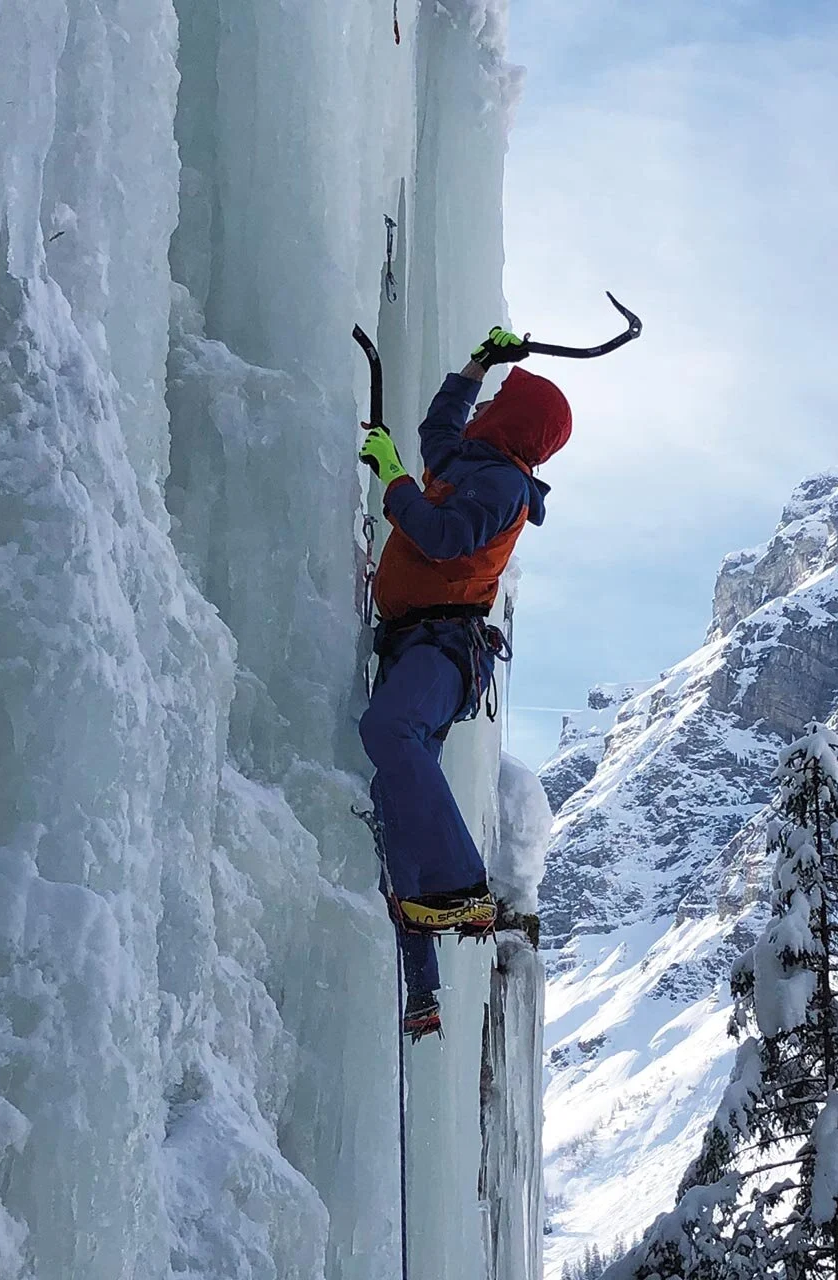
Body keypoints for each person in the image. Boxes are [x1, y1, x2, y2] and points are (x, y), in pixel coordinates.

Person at [357, 327, 572, 1039]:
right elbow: (437, 430)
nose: (486, 407)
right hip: (415, 643)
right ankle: (422, 985)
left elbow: (443, 538)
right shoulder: (472, 461)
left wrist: (393, 479)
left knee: (390, 731)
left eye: (500, 400)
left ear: (517, 422)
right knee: (394, 801)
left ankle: (461, 887)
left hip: (444, 645)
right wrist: (479, 365)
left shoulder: (503, 485)